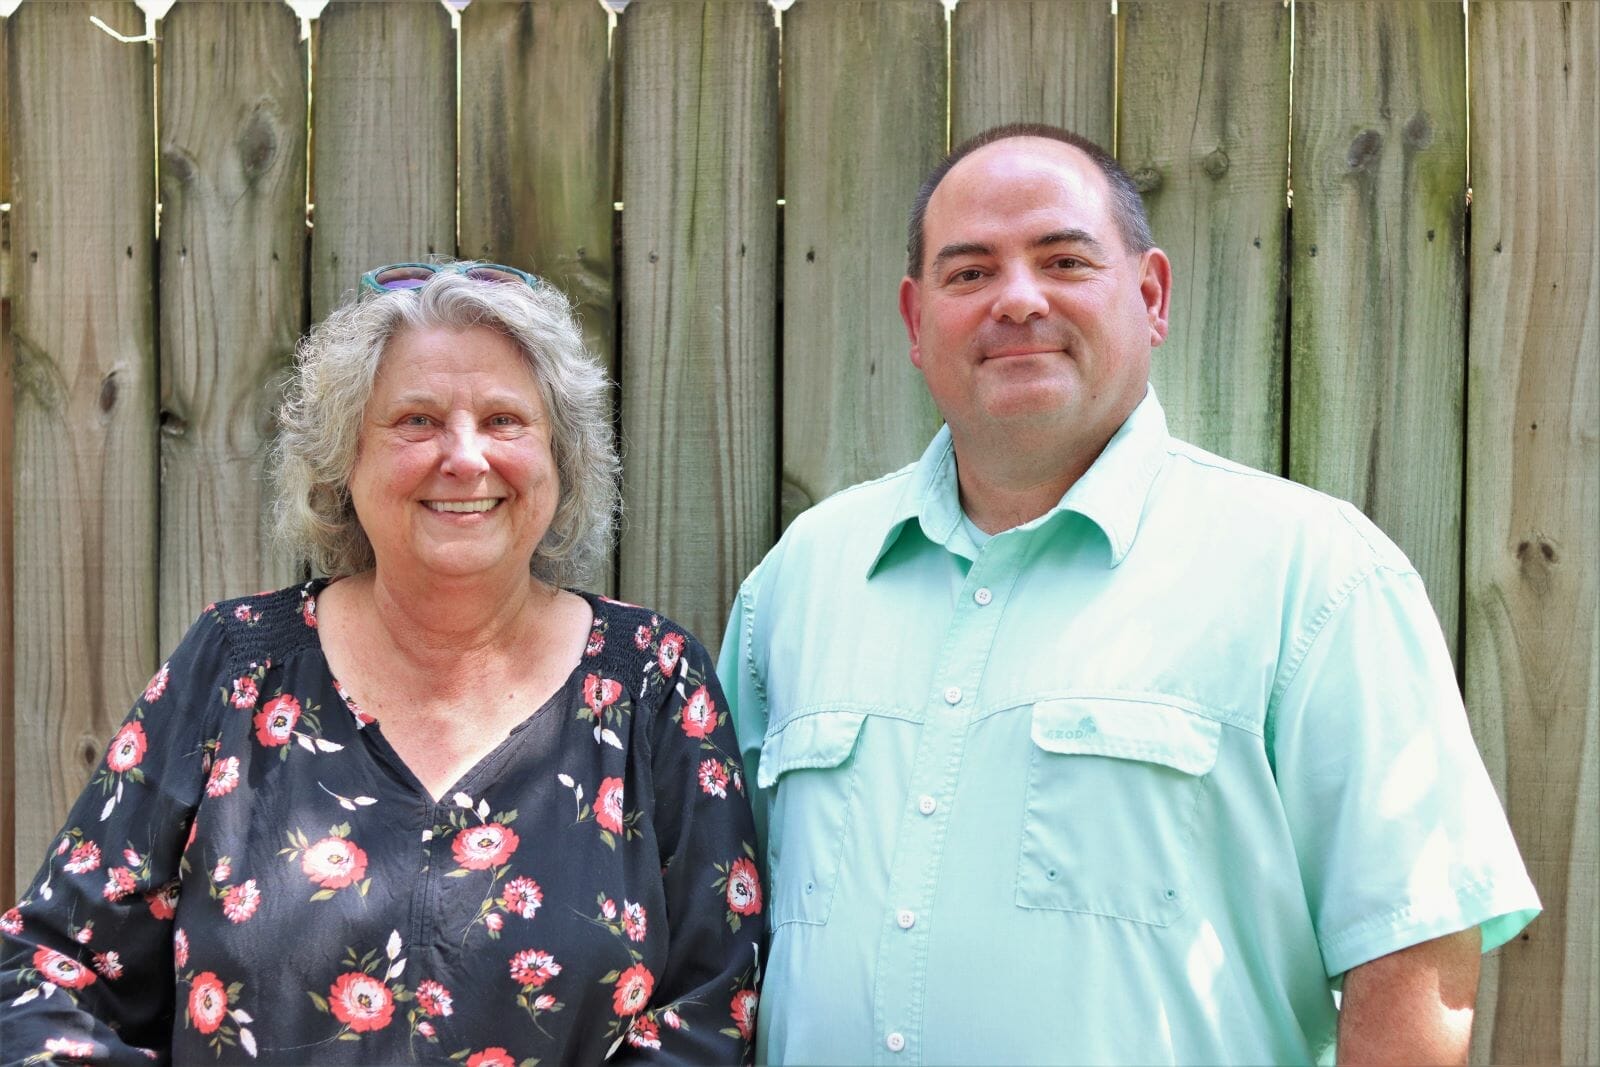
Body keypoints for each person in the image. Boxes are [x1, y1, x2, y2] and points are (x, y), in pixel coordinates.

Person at [718, 125, 1539, 1064]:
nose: (1017, 299)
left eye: (1064, 261)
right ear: (915, 320)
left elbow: (1415, 949)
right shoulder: (801, 580)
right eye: (970, 272)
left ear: (1150, 296)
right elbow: (715, 920)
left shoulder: (1312, 574)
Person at [2, 261, 764, 1064]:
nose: (464, 456)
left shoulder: (655, 685)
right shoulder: (236, 668)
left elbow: (712, 1013)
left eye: (504, 419)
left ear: (560, 457)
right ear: (346, 459)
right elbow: (39, 974)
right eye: (417, 419)